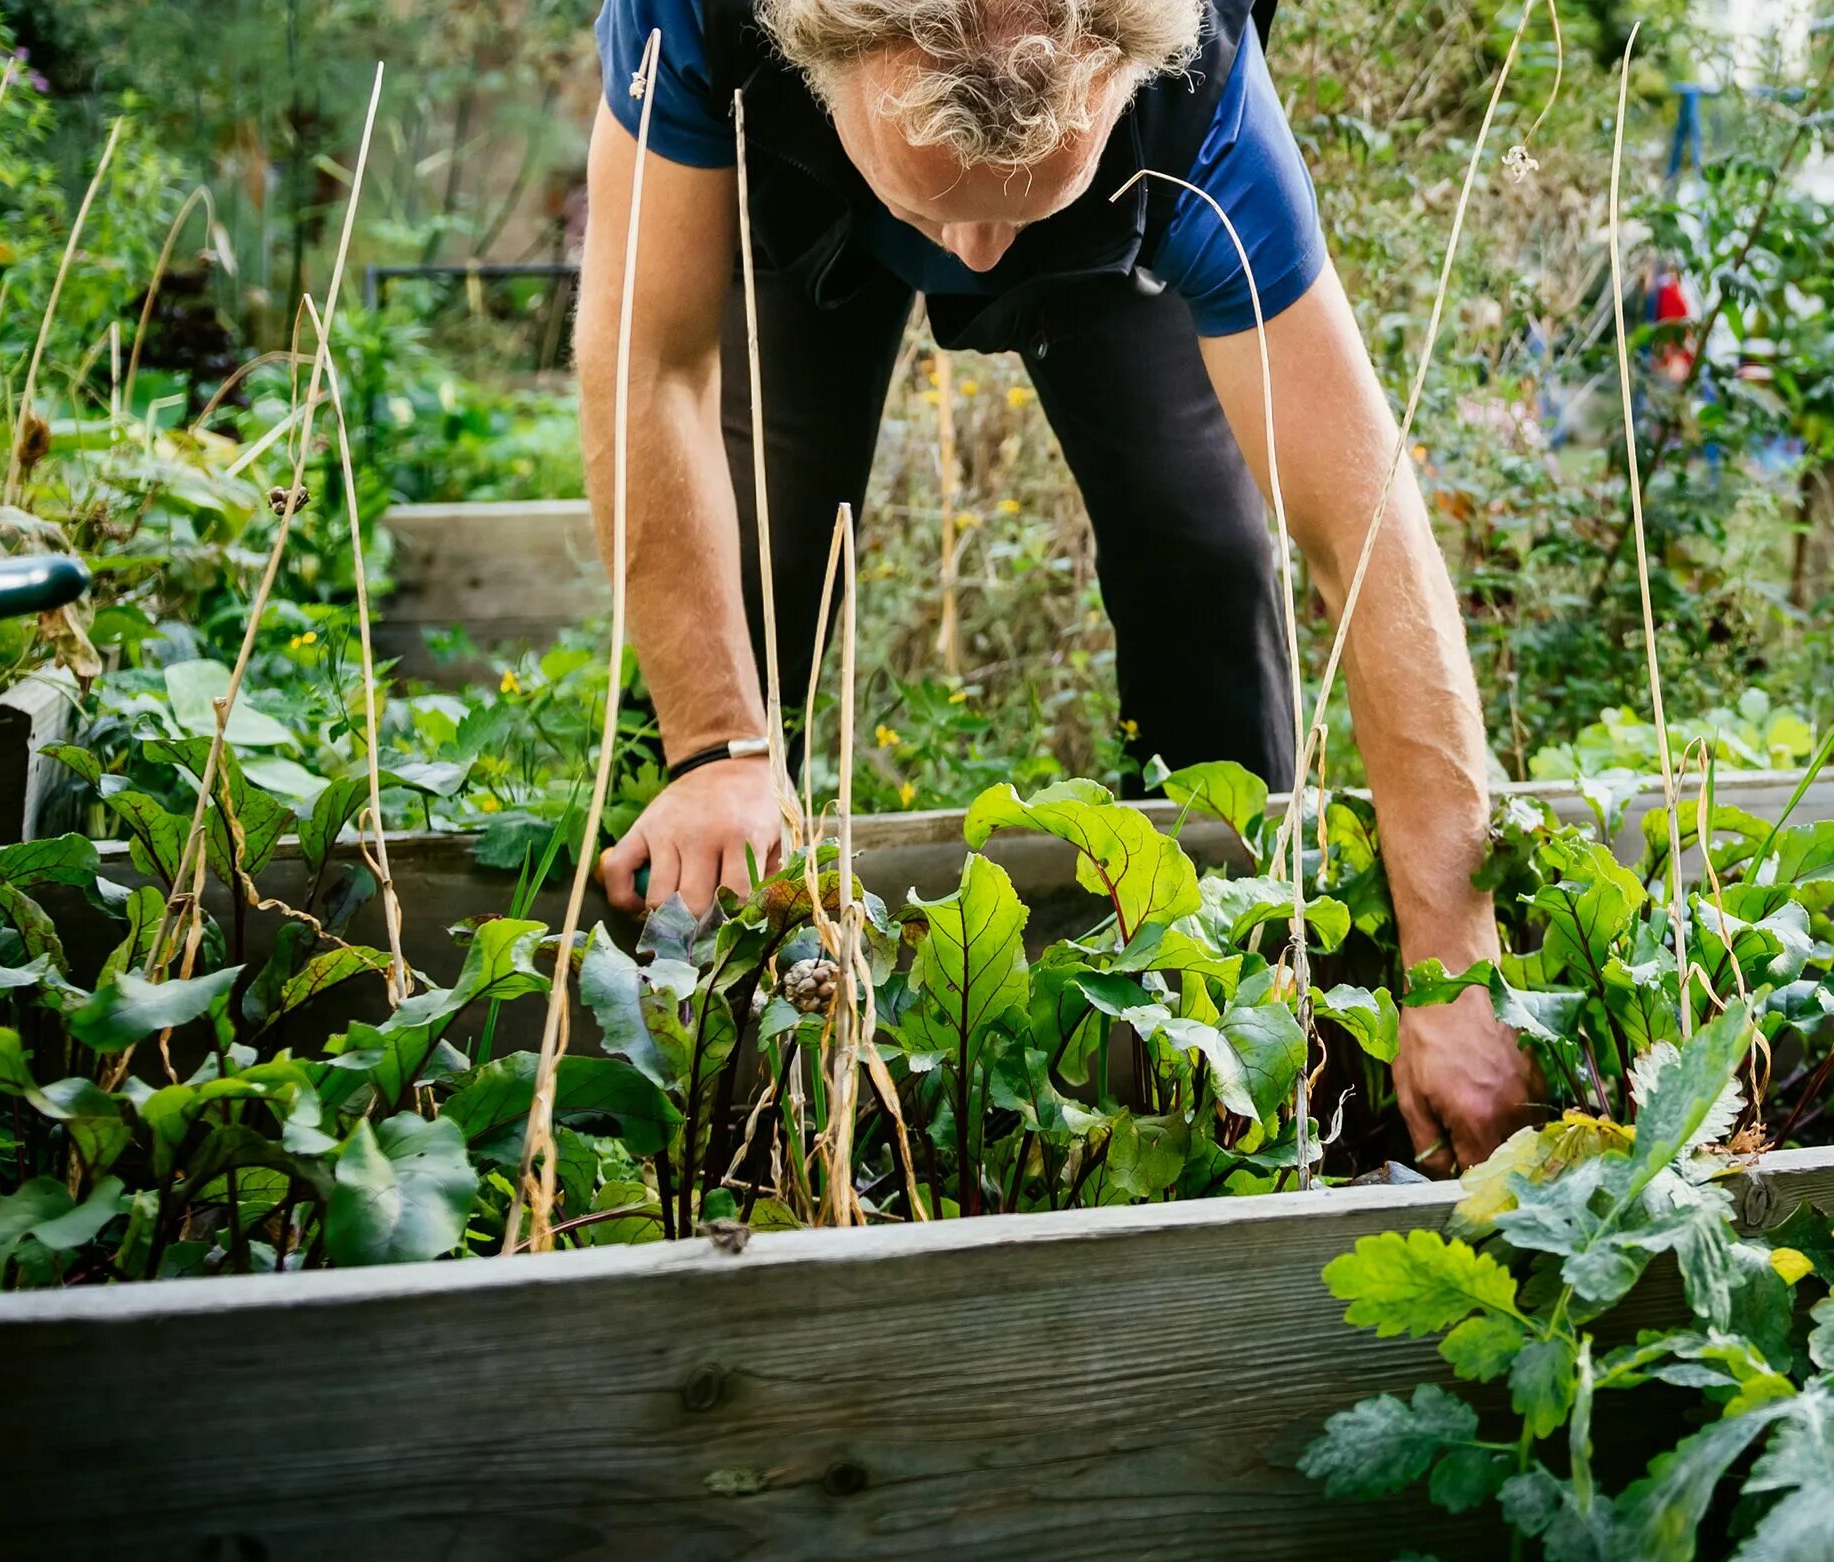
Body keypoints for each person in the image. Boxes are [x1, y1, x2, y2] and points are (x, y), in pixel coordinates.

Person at [577, 0, 1538, 1171]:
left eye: (1011, 206)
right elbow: (650, 367)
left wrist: (1455, 966)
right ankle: (657, 1029)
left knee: (1205, 550)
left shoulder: (1194, 87)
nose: (978, 261)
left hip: (1105, 198)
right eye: (945, 207)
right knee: (756, 560)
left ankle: (1241, 1004)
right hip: (800, 171)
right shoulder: (703, 20)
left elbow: (1362, 525)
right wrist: (719, 743)